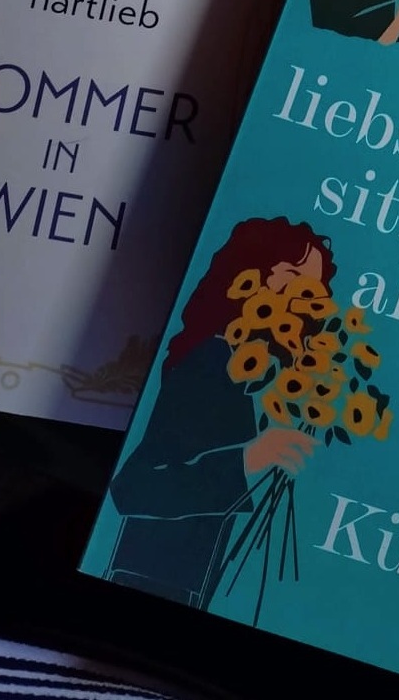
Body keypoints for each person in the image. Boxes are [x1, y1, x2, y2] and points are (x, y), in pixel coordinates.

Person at [105, 217, 335, 608]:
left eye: (313, 290)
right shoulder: (210, 361)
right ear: (250, 276)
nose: (303, 298)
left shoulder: (255, 380)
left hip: (190, 589)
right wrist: (250, 459)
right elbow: (133, 487)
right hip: (150, 582)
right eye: (293, 277)